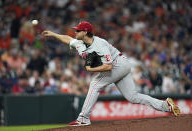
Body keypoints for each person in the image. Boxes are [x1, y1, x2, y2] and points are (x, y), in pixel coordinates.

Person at [42, 21, 180, 126]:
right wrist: (53, 34)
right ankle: (165, 106)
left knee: (95, 84)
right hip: (119, 66)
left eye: (78, 30)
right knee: (132, 97)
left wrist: (91, 70)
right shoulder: (79, 42)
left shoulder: (99, 45)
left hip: (118, 64)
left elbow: (108, 66)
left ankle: (83, 118)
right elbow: (67, 39)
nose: (75, 32)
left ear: (85, 32)